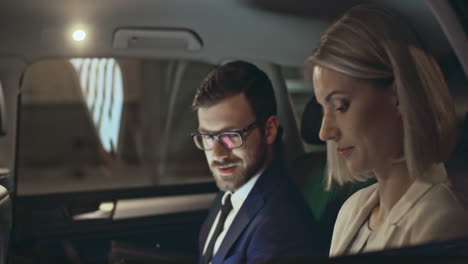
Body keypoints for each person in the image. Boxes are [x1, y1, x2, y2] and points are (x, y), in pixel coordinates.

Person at [306, 4, 468, 256]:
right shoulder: (352, 208)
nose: (325, 132)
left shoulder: (439, 221)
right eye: (322, 110)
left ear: (398, 96)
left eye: (340, 106)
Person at [192, 61, 324, 264]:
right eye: (208, 137)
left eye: (230, 135)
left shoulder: (281, 225)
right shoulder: (229, 195)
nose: (218, 154)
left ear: (269, 130)